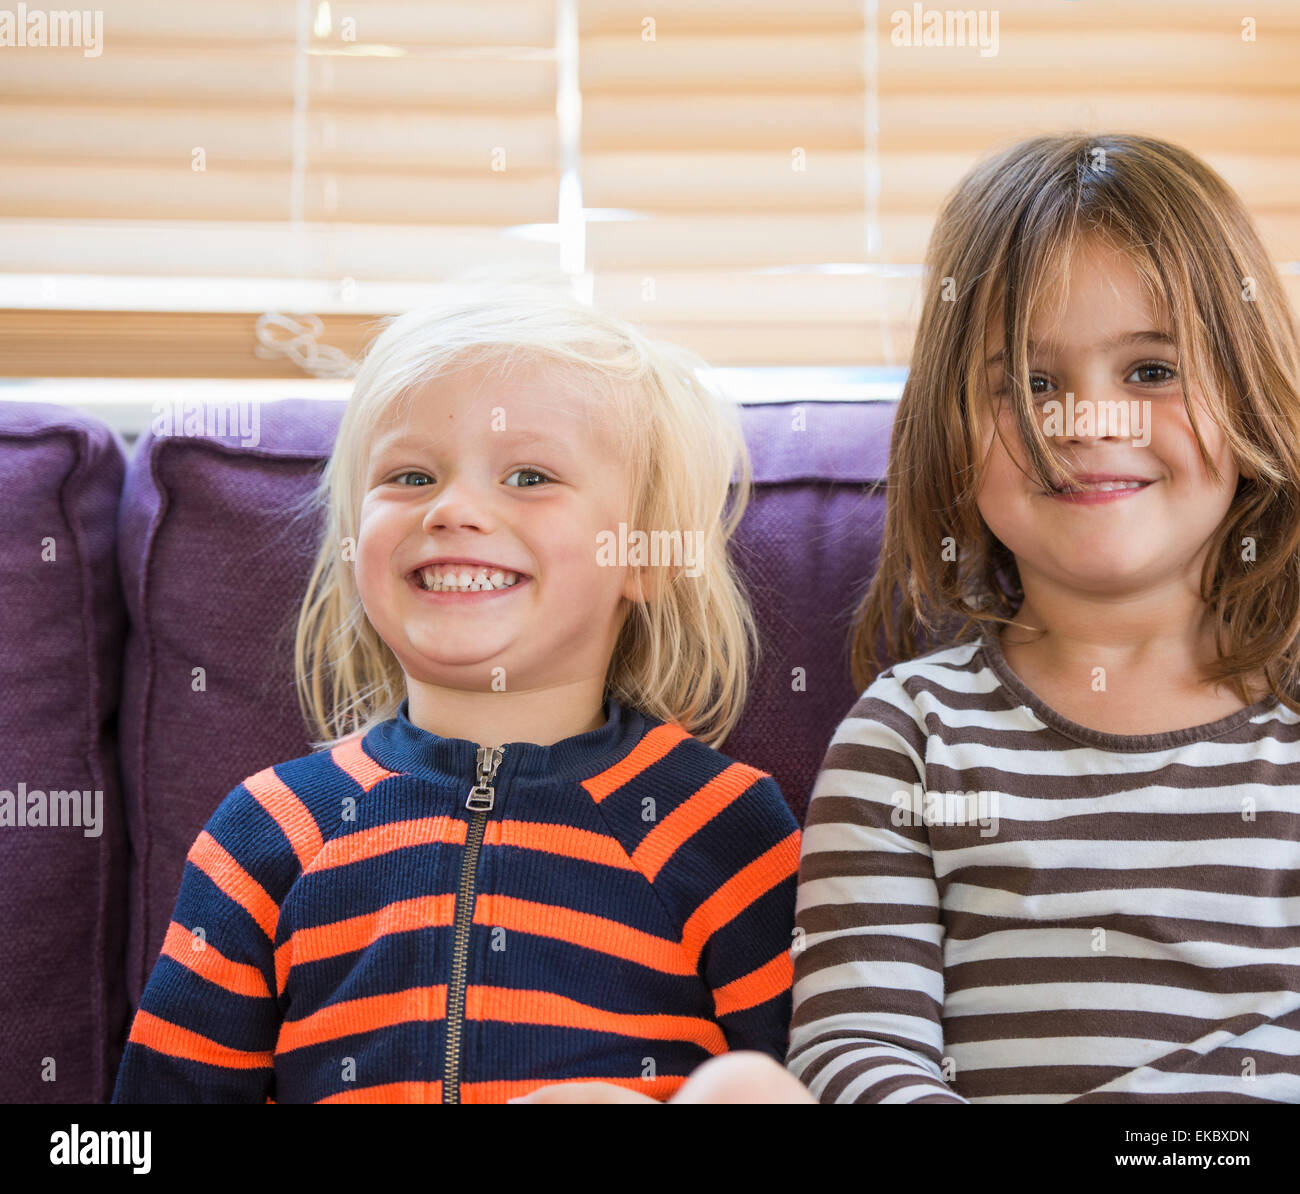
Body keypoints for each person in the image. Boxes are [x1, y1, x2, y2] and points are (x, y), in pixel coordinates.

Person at [111, 282, 802, 1103]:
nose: (454, 508)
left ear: (645, 557)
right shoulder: (267, 833)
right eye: (409, 475)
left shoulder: (724, 827)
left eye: (529, 475)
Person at [784, 132, 1300, 1102]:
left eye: (1150, 371)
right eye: (1030, 383)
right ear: (952, 430)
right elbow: (854, 1047)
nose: (1087, 423)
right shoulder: (910, 734)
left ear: (1250, 393)